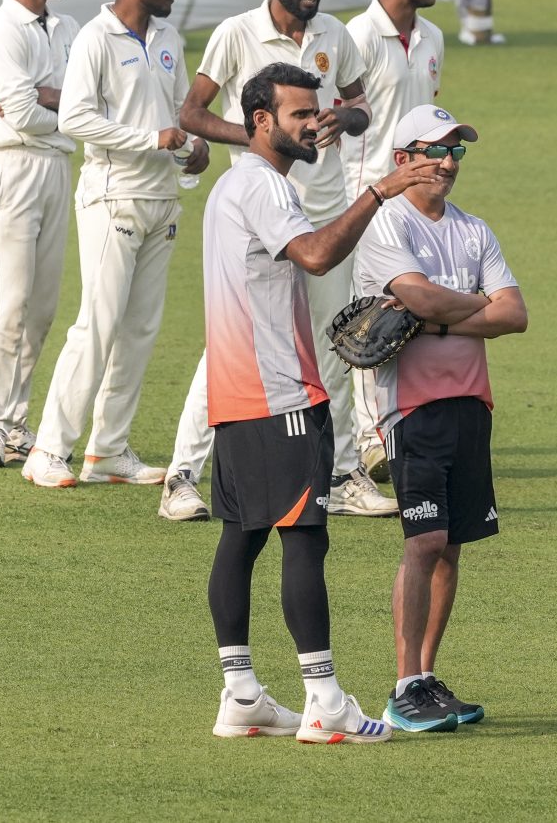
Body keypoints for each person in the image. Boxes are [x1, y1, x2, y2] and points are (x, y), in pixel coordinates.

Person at [205, 63, 444, 742]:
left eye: (316, 111)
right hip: (279, 392)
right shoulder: (264, 185)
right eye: (300, 113)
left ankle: (242, 692)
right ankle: (325, 702)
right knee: (305, 537)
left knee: (242, 534)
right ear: (261, 121)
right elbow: (312, 255)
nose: (316, 122)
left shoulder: (232, 186)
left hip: (236, 391)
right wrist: (380, 190)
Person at [159, 0, 397, 523]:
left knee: (336, 341)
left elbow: (362, 104)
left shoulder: (335, 35)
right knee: (231, 347)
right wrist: (267, 140)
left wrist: (345, 120)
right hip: (258, 216)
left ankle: (343, 475)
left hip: (321, 213)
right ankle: (182, 476)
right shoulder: (237, 33)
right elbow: (191, 111)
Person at [357, 103, 528, 732]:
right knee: (423, 540)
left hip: (471, 404)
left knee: (452, 546)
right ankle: (403, 687)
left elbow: (515, 314)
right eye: (436, 150)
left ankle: (427, 679)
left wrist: (436, 318)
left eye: (456, 151)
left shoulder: (474, 229)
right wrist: (469, 306)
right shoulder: (385, 227)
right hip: (413, 407)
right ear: (402, 160)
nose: (448, 163)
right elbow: (418, 294)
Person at [21, 0, 209, 488]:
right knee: (96, 327)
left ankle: (108, 451)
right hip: (112, 199)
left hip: (162, 200)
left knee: (140, 329)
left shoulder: (170, 36)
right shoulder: (96, 38)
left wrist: (192, 152)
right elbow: (76, 118)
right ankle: (48, 451)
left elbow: (180, 116)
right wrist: (152, 140)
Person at [0, 0, 79, 468]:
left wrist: (50, 98)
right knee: (10, 302)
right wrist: (65, 106)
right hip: (12, 167)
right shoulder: (0, 28)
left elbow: (88, 101)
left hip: (57, 168)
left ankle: (16, 422)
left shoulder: (68, 28)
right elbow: (19, 113)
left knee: (42, 307)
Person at [343, 0, 445, 485]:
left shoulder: (431, 37)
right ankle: (369, 439)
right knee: (370, 319)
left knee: (403, 319)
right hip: (367, 200)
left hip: (416, 204)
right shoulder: (354, 37)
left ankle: (387, 430)